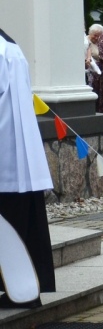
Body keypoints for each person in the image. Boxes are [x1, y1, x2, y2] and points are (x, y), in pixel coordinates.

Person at [0, 29, 56, 306]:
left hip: (5, 147)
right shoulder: (9, 46)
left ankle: (20, 289)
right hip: (18, 145)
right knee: (22, 218)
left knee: (9, 221)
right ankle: (28, 287)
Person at [86, 23, 103, 113]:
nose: (96, 38)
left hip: (101, 72)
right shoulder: (86, 42)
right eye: (95, 35)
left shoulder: (101, 43)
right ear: (90, 33)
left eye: (99, 36)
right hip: (91, 71)